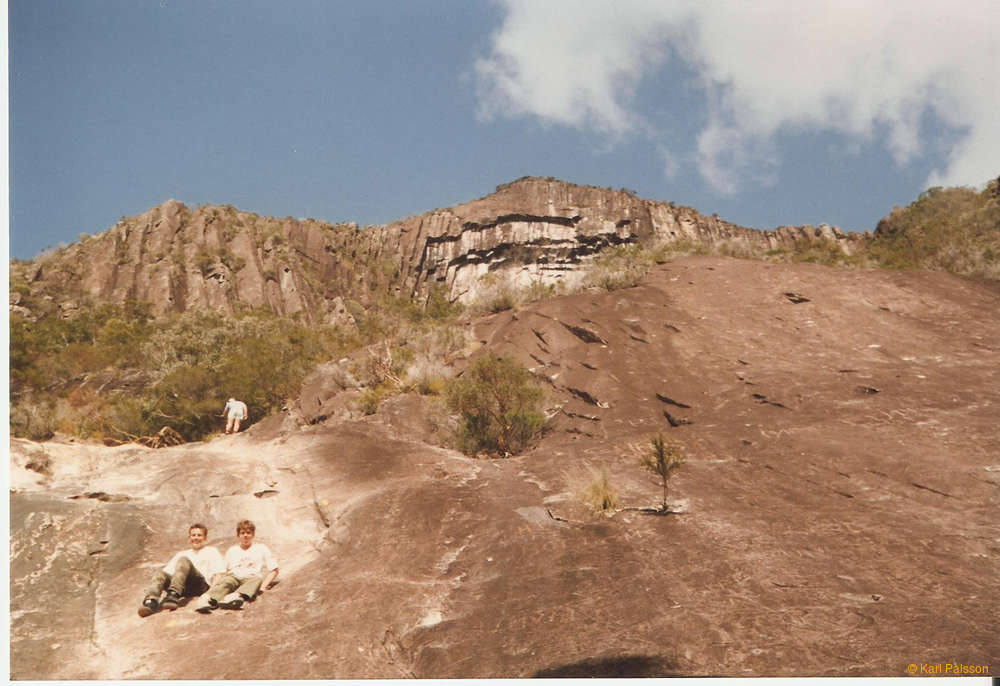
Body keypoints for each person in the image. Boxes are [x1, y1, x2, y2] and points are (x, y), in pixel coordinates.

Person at [137, 523, 226, 617]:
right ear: (189, 537)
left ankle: (173, 596)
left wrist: (210, 594)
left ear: (205, 538)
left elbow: (220, 574)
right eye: (193, 535)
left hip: (200, 586)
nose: (196, 538)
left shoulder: (211, 551)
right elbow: (167, 573)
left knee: (184, 560)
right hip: (183, 588)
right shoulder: (181, 553)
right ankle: (151, 601)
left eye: (199, 535)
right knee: (160, 572)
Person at [195, 519, 278, 612]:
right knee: (226, 581)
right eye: (242, 533)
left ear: (253, 534)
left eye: (248, 533)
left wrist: (263, 586)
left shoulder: (261, 548)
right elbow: (222, 572)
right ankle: (206, 599)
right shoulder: (232, 550)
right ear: (238, 535)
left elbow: (274, 569)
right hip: (234, 576)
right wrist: (214, 586)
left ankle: (233, 597)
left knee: (257, 580)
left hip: (251, 577)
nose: (245, 535)